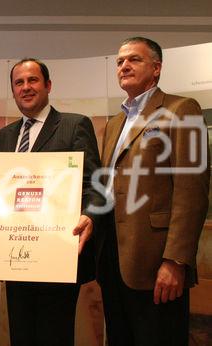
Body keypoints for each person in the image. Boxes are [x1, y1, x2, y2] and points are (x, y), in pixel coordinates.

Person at [97, 37, 209, 346]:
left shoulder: (182, 109)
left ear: (156, 68)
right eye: (120, 61)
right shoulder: (115, 122)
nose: (124, 66)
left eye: (134, 59)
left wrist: (175, 261)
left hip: (156, 263)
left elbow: (192, 191)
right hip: (113, 260)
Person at [0, 58, 103, 345]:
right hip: (14, 254)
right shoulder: (4, 137)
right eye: (19, 82)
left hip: (58, 252)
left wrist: (90, 215)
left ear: (48, 85)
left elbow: (95, 183)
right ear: (13, 90)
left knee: (54, 335)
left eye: (33, 80)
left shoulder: (74, 125)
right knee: (21, 334)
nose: (26, 87)